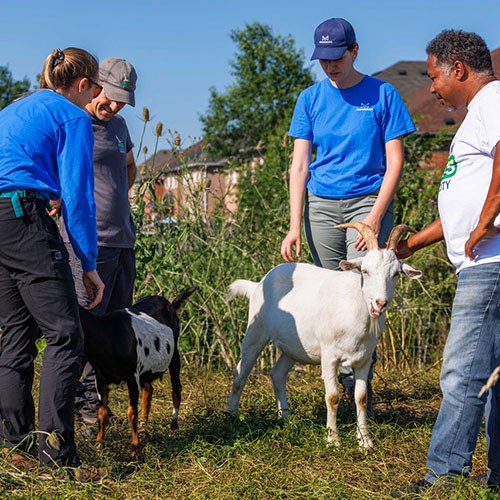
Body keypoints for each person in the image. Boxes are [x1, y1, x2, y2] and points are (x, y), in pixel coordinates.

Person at [281, 17, 416, 399]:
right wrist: (294, 225)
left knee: (370, 287)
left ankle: (363, 384)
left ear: (354, 51)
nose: (330, 66)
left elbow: (395, 163)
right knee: (333, 290)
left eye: (337, 57)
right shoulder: (310, 99)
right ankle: (339, 386)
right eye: (323, 60)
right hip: (322, 206)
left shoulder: (383, 94)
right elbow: (300, 165)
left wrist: (374, 215)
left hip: (369, 202)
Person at [393, 30, 500, 495]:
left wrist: (486, 220)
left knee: (462, 371)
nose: (432, 87)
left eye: (434, 76)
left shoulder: (493, 100)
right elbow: (460, 205)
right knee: (492, 375)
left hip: (488, 264)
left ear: (458, 69)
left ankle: (443, 478)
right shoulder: (477, 115)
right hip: (482, 261)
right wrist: (414, 242)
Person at [0, 48, 105, 471]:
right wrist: (89, 263)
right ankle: (57, 458)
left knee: (15, 336)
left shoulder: (16, 106)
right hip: (25, 218)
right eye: (96, 87)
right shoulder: (72, 114)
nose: (95, 94)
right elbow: (80, 197)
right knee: (66, 337)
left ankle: (14, 446)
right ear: (82, 84)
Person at [59, 58, 138, 424]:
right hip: (89, 243)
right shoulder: (74, 122)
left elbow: (128, 167)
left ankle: (100, 404)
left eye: (123, 99)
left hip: (123, 238)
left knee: (114, 323)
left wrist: (117, 197)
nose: (115, 105)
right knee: (88, 324)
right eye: (111, 96)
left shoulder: (119, 126)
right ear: (93, 85)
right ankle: (82, 408)